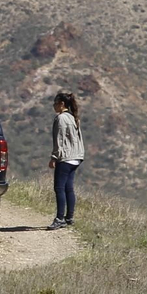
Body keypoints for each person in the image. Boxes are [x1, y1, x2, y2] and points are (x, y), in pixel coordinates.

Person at [48, 91, 84, 230]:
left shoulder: (61, 118)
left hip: (66, 157)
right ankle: (69, 217)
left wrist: (54, 157)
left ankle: (59, 218)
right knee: (69, 188)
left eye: (55, 103)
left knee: (59, 188)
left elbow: (59, 140)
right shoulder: (73, 117)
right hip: (76, 157)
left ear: (61, 104)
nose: (54, 106)